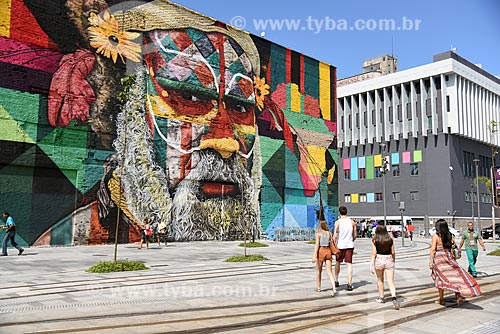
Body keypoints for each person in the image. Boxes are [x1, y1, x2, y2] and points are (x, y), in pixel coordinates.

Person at [429, 219, 480, 306]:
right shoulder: (450, 236)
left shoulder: (436, 236)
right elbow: (452, 247)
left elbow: (433, 249)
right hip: (449, 257)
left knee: (440, 279)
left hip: (439, 259)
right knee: (455, 277)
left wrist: (430, 261)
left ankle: (441, 299)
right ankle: (458, 296)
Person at [370, 226, 399, 309]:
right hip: (389, 259)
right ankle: (394, 297)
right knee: (390, 281)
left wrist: (371, 264)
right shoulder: (390, 239)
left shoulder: (375, 240)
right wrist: (394, 260)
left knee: (380, 280)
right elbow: (393, 252)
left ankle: (381, 297)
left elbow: (373, 253)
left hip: (379, 260)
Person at [333, 206, 357, 291]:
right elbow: (355, 235)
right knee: (349, 264)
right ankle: (349, 283)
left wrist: (333, 243)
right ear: (346, 212)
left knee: (338, 262)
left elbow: (335, 235)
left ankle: (336, 280)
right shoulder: (352, 222)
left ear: (339, 213)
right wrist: (351, 240)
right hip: (349, 245)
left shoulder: (338, 222)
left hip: (340, 245)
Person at [311, 220, 336, 296]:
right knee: (329, 272)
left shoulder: (318, 233)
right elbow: (332, 242)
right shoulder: (329, 233)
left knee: (319, 270)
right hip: (328, 251)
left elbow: (317, 245)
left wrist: (314, 255)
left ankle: (318, 287)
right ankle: (334, 288)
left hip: (321, 251)